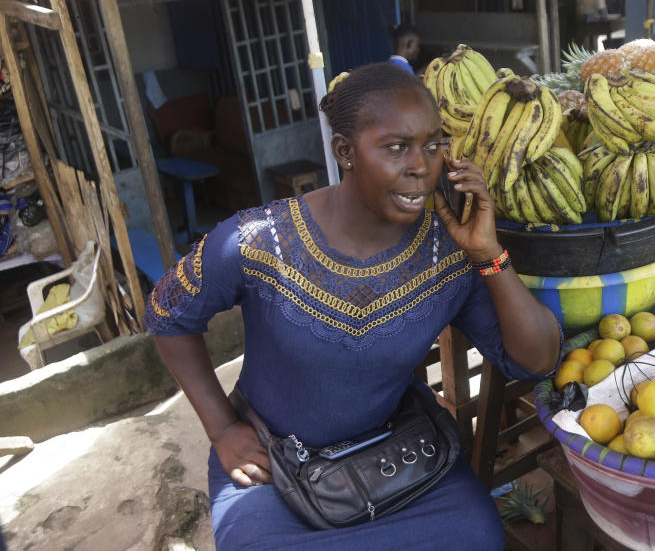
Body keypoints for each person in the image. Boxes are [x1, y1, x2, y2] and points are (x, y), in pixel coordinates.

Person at [144, 62, 563, 550]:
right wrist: (221, 428)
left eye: (432, 145)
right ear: (344, 151)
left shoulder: (446, 253)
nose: (421, 166)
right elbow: (167, 313)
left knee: (478, 538)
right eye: (395, 147)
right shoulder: (259, 242)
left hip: (400, 457)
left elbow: (538, 360)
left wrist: (489, 255)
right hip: (275, 466)